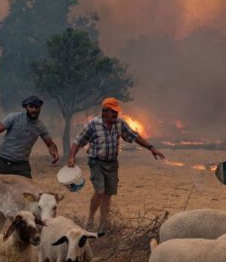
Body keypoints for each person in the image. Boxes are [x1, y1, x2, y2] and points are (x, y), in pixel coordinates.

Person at [67, 97, 165, 231]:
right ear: (104, 112)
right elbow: (78, 141)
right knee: (100, 191)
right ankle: (90, 218)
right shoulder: (93, 125)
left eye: (116, 112)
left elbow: (134, 136)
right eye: (112, 112)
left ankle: (103, 225)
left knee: (108, 194)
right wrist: (72, 157)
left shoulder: (120, 124)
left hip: (112, 163)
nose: (115, 114)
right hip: (96, 161)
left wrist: (151, 148)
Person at [0, 95, 59, 232]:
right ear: (26, 107)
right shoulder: (14, 118)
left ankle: (28, 226)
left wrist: (54, 152)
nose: (34, 109)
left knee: (30, 195)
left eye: (36, 107)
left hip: (21, 164)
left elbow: (50, 144)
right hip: (3, 160)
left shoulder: (40, 126)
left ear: (40, 108)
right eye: (31, 107)